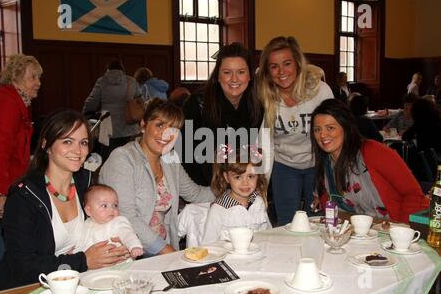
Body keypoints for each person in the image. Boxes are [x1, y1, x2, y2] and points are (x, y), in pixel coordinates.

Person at [0, 110, 129, 291]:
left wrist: (114, 244)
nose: (77, 150)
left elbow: (101, 225)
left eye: (83, 143)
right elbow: (22, 266)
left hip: (78, 282)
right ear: (46, 145)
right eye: (67, 141)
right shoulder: (23, 196)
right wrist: (83, 260)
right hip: (30, 288)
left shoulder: (86, 184)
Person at [99, 99, 215, 256]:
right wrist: (169, 253)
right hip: (126, 251)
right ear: (143, 125)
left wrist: (230, 188)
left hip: (160, 250)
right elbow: (127, 216)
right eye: (160, 125)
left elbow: (195, 194)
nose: (166, 135)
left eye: (173, 130)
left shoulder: (170, 158)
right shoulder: (123, 158)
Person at [256, 36, 334, 226]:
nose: (281, 71)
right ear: (267, 71)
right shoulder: (263, 96)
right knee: (286, 222)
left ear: (298, 64)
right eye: (274, 66)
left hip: (318, 164)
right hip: (284, 165)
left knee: (318, 220)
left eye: (287, 63)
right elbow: (261, 142)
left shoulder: (320, 91)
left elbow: (336, 129)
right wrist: (259, 181)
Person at [310, 99, 429, 223]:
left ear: (346, 127)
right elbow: (329, 206)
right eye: (317, 129)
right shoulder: (325, 164)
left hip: (392, 229)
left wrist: (402, 230)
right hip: (357, 234)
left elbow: (413, 193)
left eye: (330, 128)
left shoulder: (373, 152)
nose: (322, 135)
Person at [0, 53, 42, 288]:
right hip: (1, 189)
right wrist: (0, 193)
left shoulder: (16, 103)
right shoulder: (7, 103)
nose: (38, 83)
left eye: (39, 78)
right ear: (16, 76)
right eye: (33, 77)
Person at [181, 42, 264, 186]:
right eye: (227, 72)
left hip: (242, 188)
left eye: (241, 72)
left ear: (250, 76)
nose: (234, 79)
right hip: (202, 190)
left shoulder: (257, 105)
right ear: (218, 76)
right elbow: (185, 155)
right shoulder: (196, 104)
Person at [201, 146, 271, 244]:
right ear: (226, 177)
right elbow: (208, 245)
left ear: (258, 176)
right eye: (238, 177)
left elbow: (268, 234)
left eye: (250, 176)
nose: (245, 183)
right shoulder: (219, 209)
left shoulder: (259, 201)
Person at [83, 59, 140, 163]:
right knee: (130, 158)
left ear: (108, 70)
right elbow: (140, 100)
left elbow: (92, 101)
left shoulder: (102, 81)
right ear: (122, 69)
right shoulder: (131, 81)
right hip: (130, 125)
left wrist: (86, 112)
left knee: (109, 158)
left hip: (108, 126)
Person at [74, 184, 143, 260]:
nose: (111, 209)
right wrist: (75, 253)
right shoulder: (86, 225)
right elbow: (82, 243)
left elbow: (128, 234)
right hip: (94, 266)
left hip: (120, 263)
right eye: (104, 206)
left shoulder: (118, 222)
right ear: (89, 211)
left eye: (115, 205)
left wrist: (134, 246)